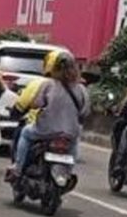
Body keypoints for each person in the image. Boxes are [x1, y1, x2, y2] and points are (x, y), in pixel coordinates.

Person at [8, 50, 90, 180]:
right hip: (70, 133)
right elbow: (85, 112)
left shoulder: (48, 85)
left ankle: (17, 168)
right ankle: (67, 173)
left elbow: (36, 103)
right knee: (74, 145)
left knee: (25, 133)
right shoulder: (81, 89)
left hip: (46, 130)